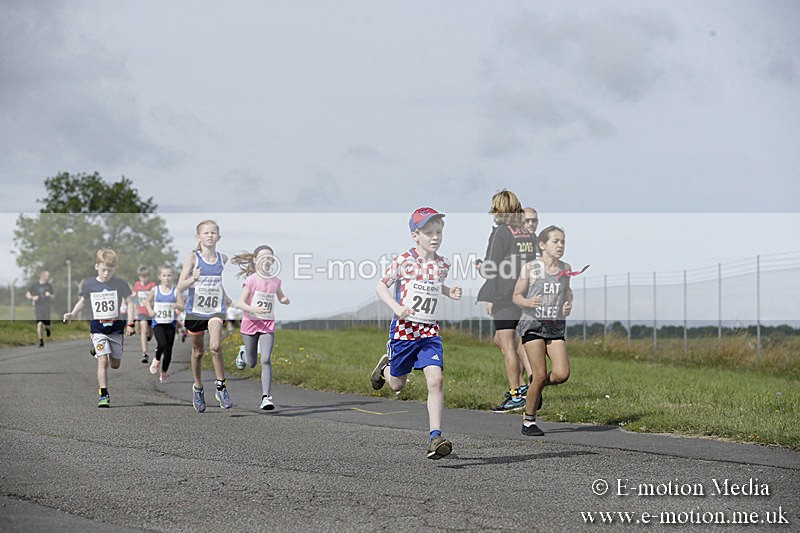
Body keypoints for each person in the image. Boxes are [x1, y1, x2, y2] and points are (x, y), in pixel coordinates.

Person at [369, 207, 462, 460]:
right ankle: (385, 367)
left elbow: (433, 284)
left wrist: (447, 292)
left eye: (439, 232)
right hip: (405, 331)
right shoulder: (404, 260)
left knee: (436, 379)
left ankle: (435, 437)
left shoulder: (443, 264)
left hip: (429, 332)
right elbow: (381, 285)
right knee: (398, 386)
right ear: (415, 235)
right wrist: (396, 307)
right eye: (429, 232)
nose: (435, 237)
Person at [475, 190, 536, 413]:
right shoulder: (527, 233)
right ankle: (531, 384)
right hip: (525, 293)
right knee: (505, 341)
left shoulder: (501, 232)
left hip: (505, 296)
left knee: (508, 345)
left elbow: (491, 267)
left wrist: (480, 266)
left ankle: (516, 394)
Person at [513, 225, 574, 436]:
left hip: (555, 326)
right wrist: (529, 302)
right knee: (539, 373)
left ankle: (535, 387)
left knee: (561, 374)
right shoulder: (531, 268)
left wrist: (567, 304)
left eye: (563, 242)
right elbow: (517, 296)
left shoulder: (566, 268)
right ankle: (528, 421)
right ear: (542, 245)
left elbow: (568, 292)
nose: (560, 245)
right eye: (556, 241)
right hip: (533, 326)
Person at [63, 249, 135, 407]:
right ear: (97, 266)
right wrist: (73, 314)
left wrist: (130, 323)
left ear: (114, 269)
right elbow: (82, 301)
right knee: (103, 361)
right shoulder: (90, 284)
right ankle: (104, 394)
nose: (106, 274)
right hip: (98, 330)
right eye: (103, 270)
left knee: (115, 365)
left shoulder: (120, 284)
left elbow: (130, 302)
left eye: (109, 270)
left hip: (116, 330)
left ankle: (97, 350)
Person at [177, 219, 233, 412]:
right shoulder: (193, 258)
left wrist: (225, 296)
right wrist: (193, 278)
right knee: (198, 353)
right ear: (198, 237)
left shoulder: (222, 258)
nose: (210, 235)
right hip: (195, 311)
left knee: (215, 346)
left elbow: (216, 282)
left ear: (218, 236)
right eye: (206, 233)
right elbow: (180, 286)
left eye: (213, 233)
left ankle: (221, 386)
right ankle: (198, 387)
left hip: (215, 310)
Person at [232, 245, 290, 411]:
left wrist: (284, 299)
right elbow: (240, 303)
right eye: (263, 258)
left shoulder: (275, 281)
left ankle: (266, 397)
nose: (267, 261)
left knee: (265, 360)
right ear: (256, 261)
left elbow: (280, 295)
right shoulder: (251, 280)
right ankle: (243, 353)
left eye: (270, 258)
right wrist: (254, 309)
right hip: (250, 324)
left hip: (267, 325)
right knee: (251, 363)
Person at [145, 266, 182, 383]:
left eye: (169, 275)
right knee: (162, 343)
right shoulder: (155, 290)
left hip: (170, 323)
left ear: (173, 277)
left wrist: (177, 306)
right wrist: (150, 311)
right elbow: (147, 301)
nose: (167, 278)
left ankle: (164, 372)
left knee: (168, 350)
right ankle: (156, 359)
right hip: (158, 323)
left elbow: (182, 306)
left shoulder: (176, 291)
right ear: (160, 277)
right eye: (164, 275)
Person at [132, 265, 156, 364]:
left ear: (149, 276)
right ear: (139, 277)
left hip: (150, 311)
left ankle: (150, 335)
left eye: (146, 276)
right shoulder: (137, 285)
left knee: (150, 331)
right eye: (142, 276)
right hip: (141, 311)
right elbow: (134, 295)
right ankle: (144, 353)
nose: (144, 278)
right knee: (143, 327)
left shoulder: (152, 285)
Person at [26, 270, 54, 347]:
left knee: (47, 324)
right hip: (38, 307)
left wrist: (49, 295)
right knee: (39, 323)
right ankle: (41, 340)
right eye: (47, 275)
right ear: (42, 276)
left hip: (47, 307)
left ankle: (48, 329)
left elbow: (53, 296)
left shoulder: (48, 285)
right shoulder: (35, 285)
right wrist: (32, 297)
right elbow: (28, 294)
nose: (48, 277)